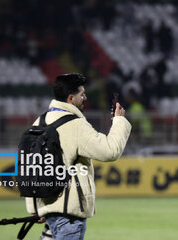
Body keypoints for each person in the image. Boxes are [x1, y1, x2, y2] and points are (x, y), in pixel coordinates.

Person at [25, 73, 132, 240]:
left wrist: (35, 206)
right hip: (69, 216)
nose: (85, 97)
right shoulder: (75, 125)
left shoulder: (39, 122)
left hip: (48, 212)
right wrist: (119, 121)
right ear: (70, 98)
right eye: (82, 94)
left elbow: (31, 166)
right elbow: (110, 151)